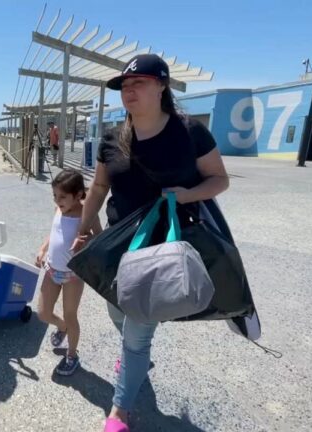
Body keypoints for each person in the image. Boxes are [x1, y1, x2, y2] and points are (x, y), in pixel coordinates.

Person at [71, 54, 230, 432]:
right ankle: (131, 358)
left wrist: (185, 195)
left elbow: (219, 180)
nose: (129, 91)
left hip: (164, 248)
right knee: (117, 313)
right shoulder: (113, 137)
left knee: (138, 332)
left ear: (162, 86)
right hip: (118, 245)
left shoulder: (190, 132)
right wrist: (82, 228)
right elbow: (98, 187)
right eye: (125, 86)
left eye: (138, 83)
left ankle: (119, 412)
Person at [35, 169, 101, 376]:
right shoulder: (59, 210)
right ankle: (61, 327)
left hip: (73, 275)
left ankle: (72, 355)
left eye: (62, 196)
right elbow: (54, 231)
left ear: (79, 194)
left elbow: (99, 237)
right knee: (43, 313)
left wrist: (87, 240)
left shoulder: (86, 213)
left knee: (71, 315)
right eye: (55, 195)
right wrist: (43, 249)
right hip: (52, 270)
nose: (57, 200)